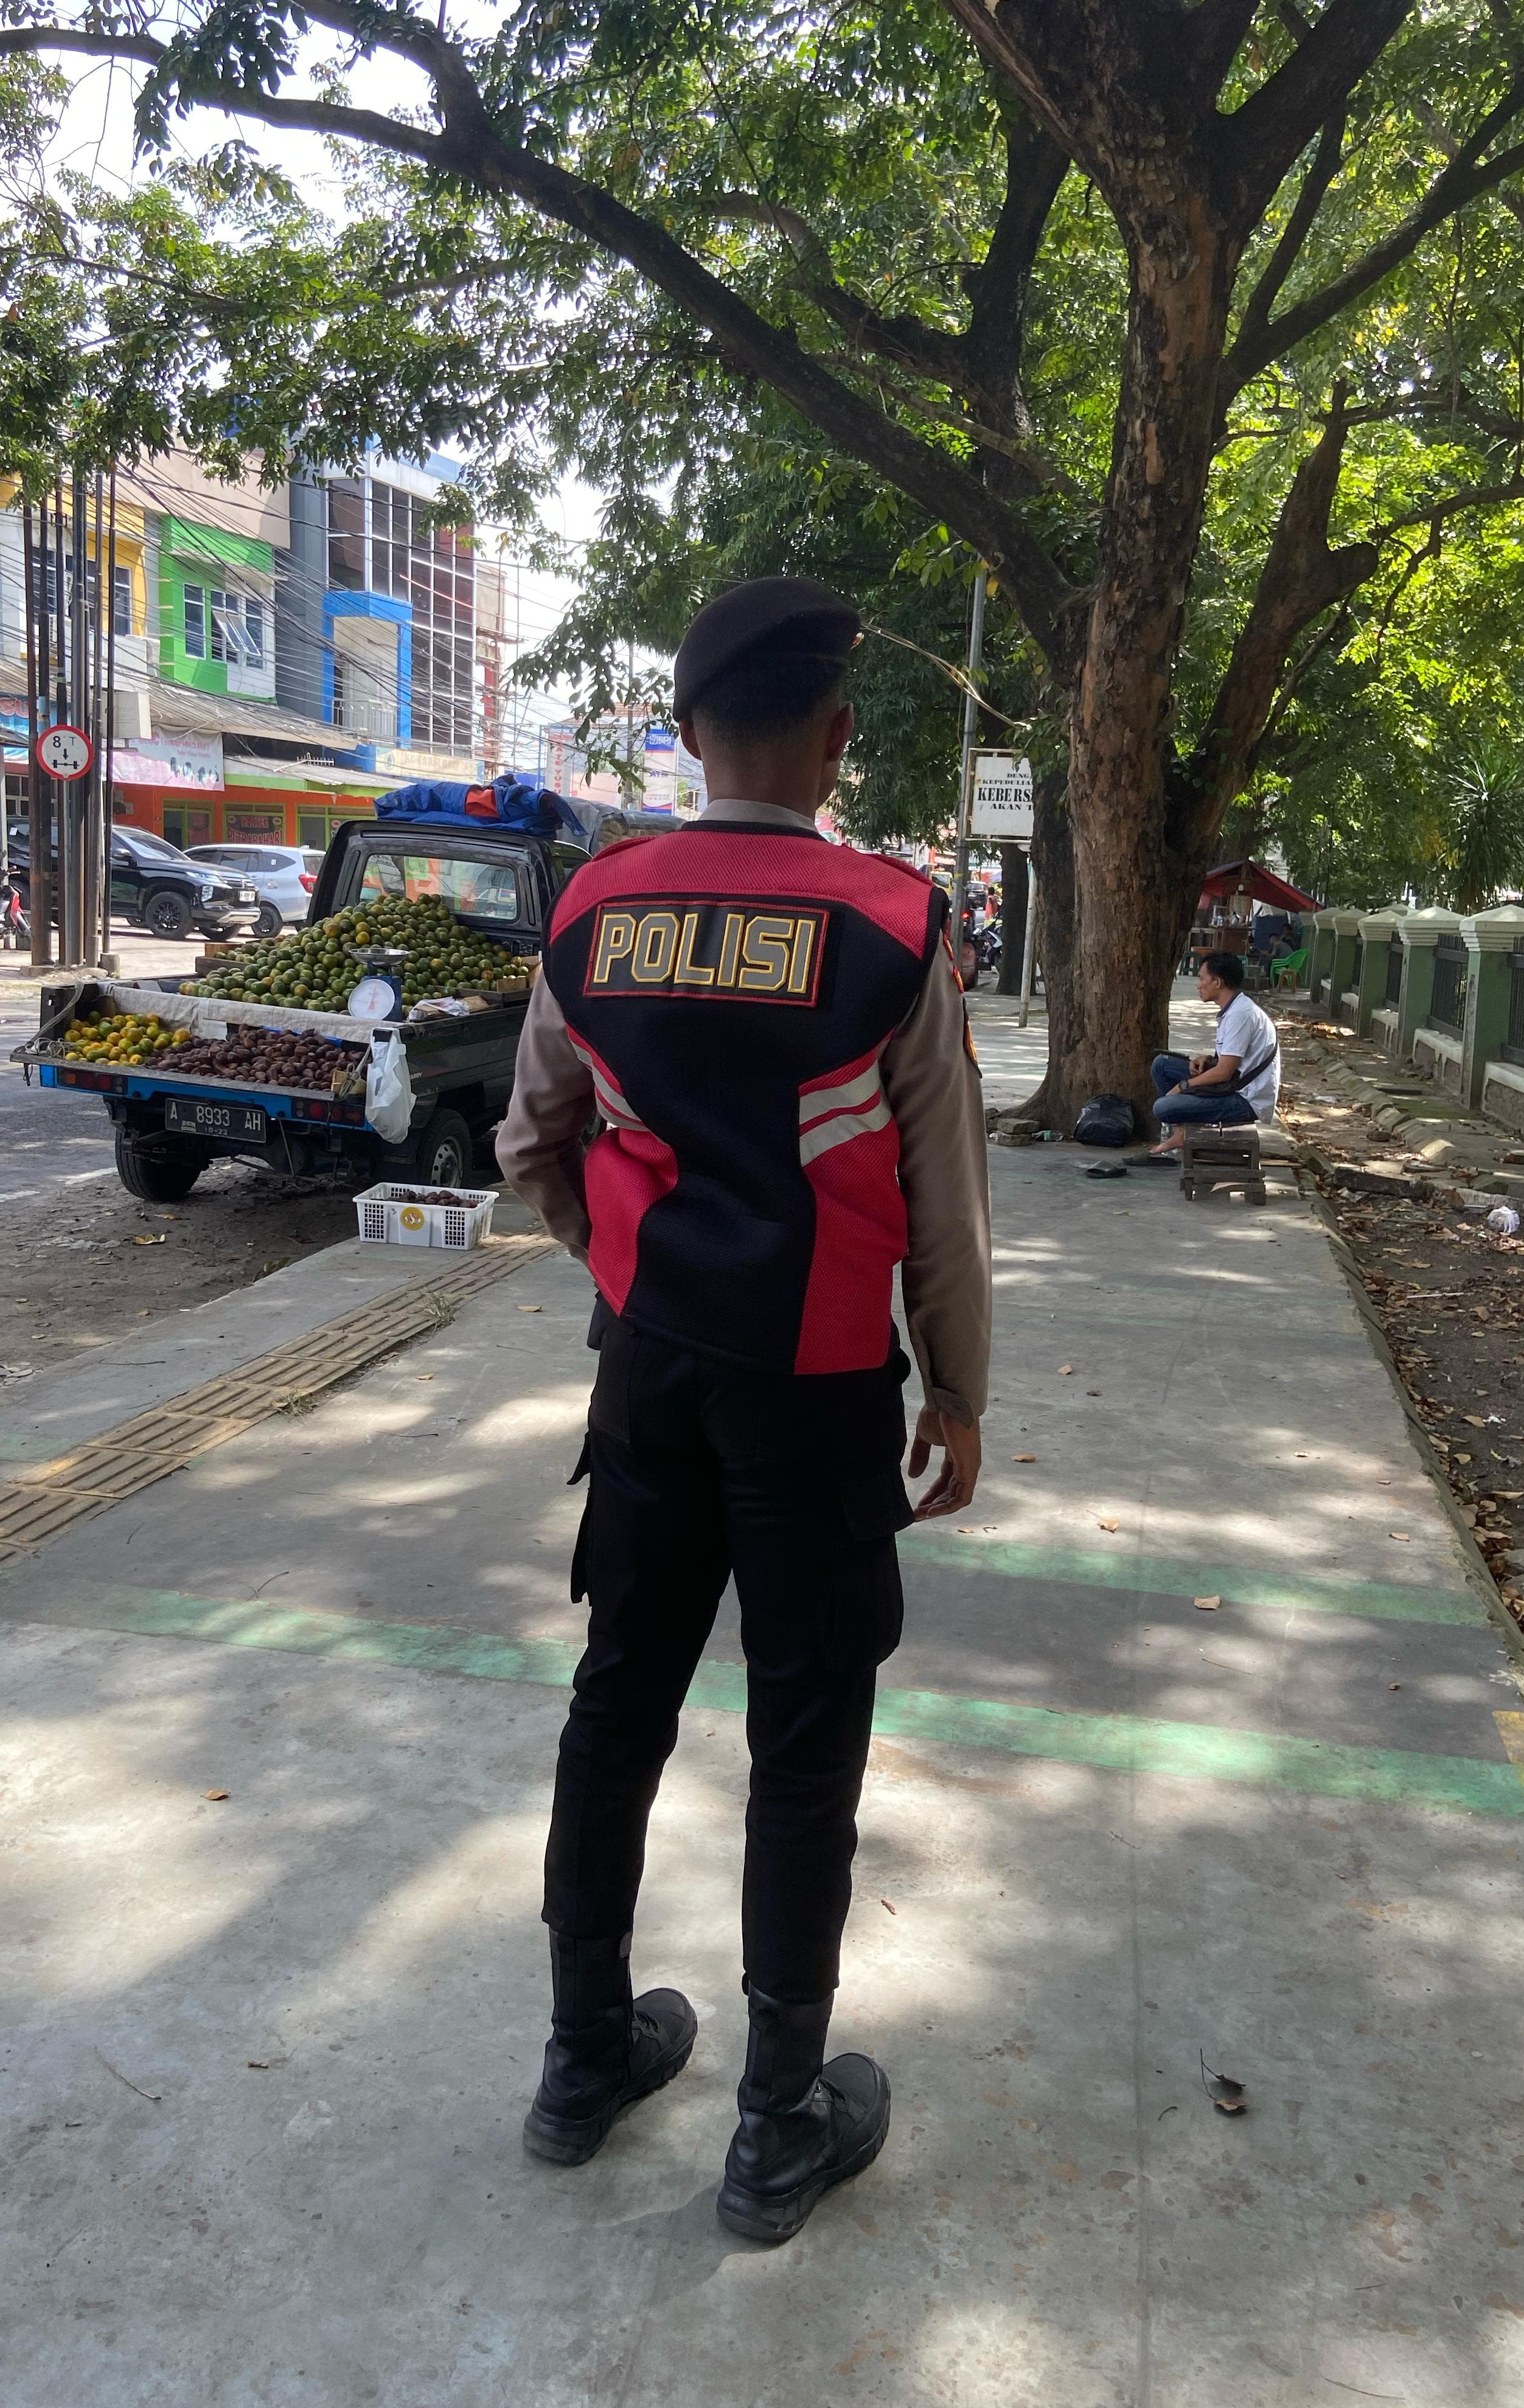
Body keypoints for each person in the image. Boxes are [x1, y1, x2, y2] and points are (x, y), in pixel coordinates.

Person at [497, 574, 992, 2244]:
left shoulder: (595, 909)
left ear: (685, 731)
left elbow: (532, 1143)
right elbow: (945, 1206)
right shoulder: (895, 929)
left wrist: (634, 1275)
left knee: (616, 1703)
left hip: (649, 1378)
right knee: (805, 1742)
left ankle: (582, 2058)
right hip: (822, 1395)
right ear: (836, 739)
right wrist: (960, 1394)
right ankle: (776, 2128)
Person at [1149, 949, 1279, 1151]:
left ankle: (1181, 1129)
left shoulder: (1241, 1015)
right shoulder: (1235, 1008)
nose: (1198, 985)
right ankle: (1180, 1132)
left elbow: (1223, 1073)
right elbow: (1232, 1059)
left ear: (1217, 982)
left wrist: (1183, 1086)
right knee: (1162, 1065)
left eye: (1202, 979)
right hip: (1233, 1084)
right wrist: (1208, 1059)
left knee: (1163, 1107)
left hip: (1245, 1100)